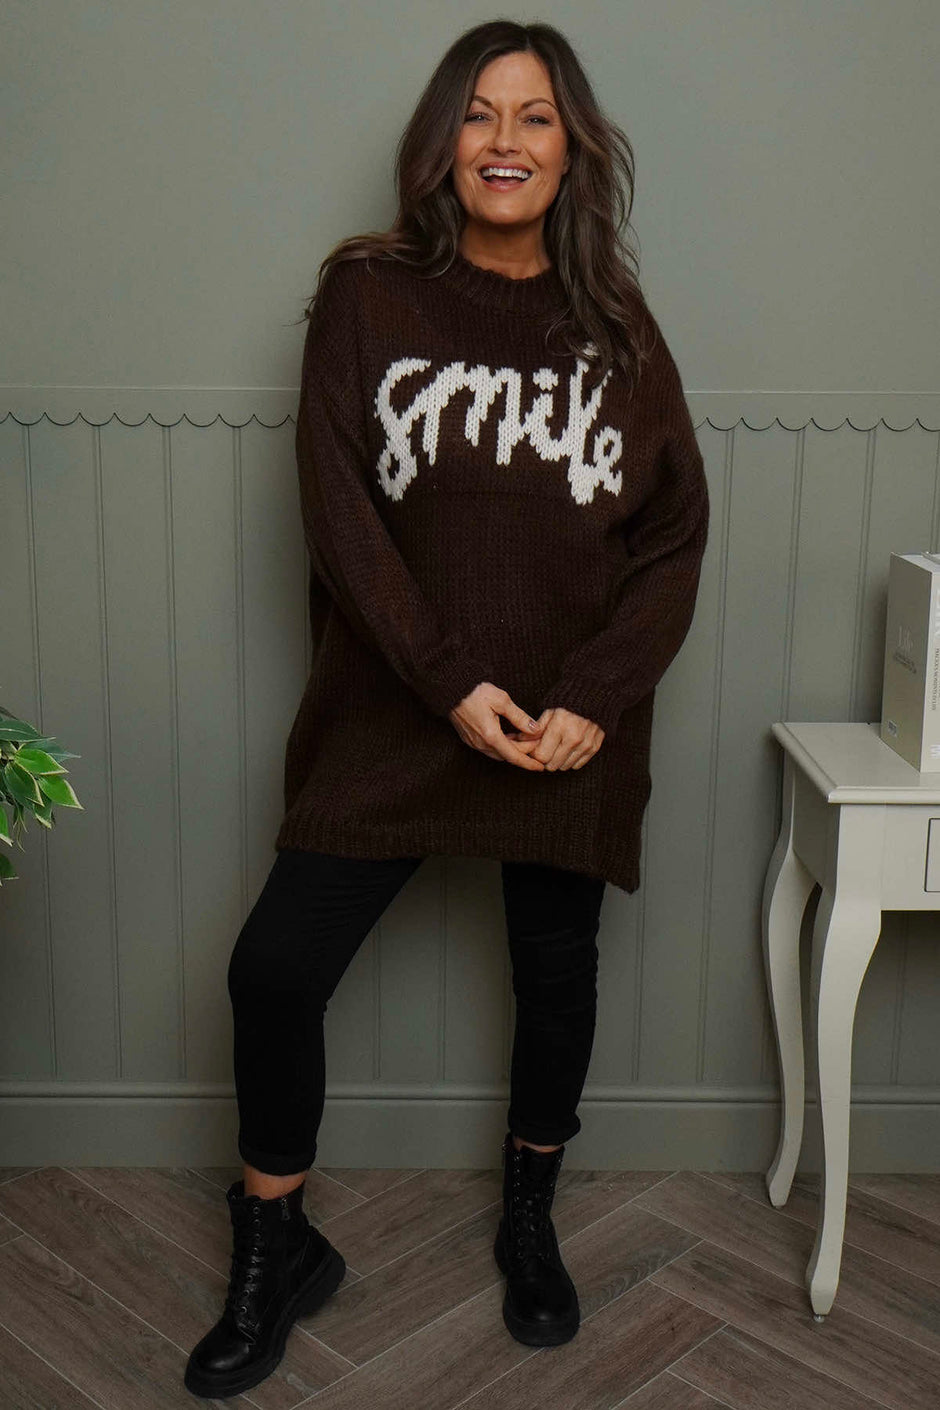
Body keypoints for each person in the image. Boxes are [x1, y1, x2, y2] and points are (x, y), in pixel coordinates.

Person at [184, 17, 709, 1400]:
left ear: (572, 150)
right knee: (273, 969)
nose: (505, 142)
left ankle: (530, 1216)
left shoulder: (618, 326)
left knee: (555, 974)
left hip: (563, 728)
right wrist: (445, 679)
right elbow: (341, 514)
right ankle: (276, 1244)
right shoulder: (367, 296)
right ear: (441, 143)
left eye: (536, 118)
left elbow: (672, 536)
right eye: (479, 114)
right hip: (398, 708)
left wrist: (593, 696)